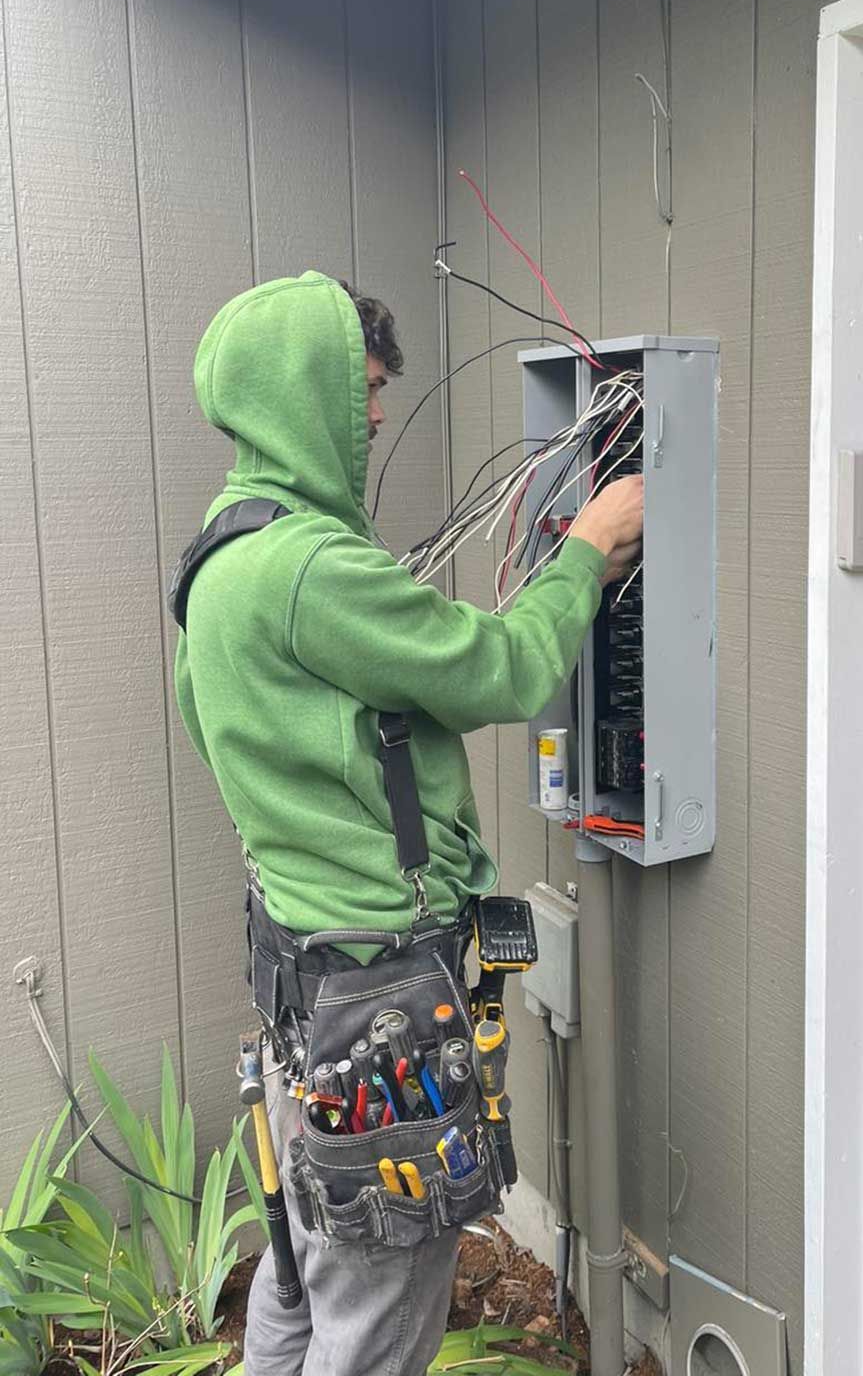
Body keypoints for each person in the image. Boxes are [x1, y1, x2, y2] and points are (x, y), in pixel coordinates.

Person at [173, 271, 642, 1376]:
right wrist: (588, 549)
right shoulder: (312, 571)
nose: (377, 414)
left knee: (303, 1263)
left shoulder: (220, 554)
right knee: (380, 1315)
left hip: (303, 985)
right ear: (304, 397)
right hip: (384, 990)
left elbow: (208, 726)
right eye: (364, 389)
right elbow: (504, 664)